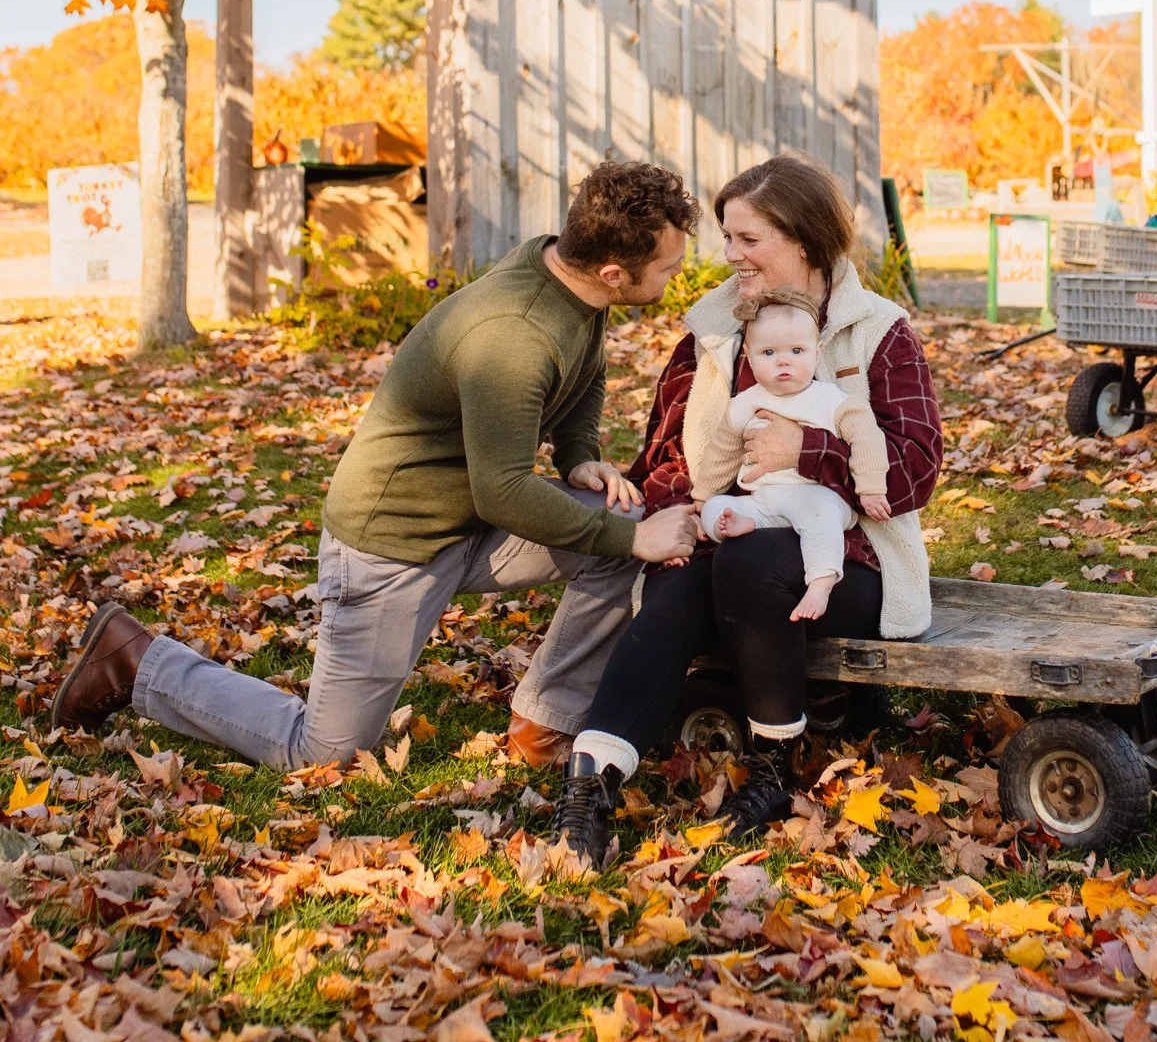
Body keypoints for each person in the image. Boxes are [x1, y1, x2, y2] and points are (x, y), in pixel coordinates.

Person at [50, 162, 702, 770]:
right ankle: (139, 662)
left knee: (631, 528)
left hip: (468, 522)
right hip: (393, 546)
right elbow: (504, 492)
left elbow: (584, 373)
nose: (675, 277)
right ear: (611, 272)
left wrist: (580, 459)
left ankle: (544, 722)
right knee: (324, 753)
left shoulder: (561, 271)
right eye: (669, 269)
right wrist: (631, 537)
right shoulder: (514, 333)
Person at [551, 153, 943, 868]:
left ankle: (771, 770)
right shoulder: (714, 329)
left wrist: (809, 449)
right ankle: (589, 787)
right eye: (727, 237)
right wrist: (672, 515)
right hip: (726, 539)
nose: (730, 254)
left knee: (751, 560)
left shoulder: (878, 331)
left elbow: (915, 470)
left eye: (748, 239)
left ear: (806, 242)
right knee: (678, 590)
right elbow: (667, 447)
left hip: (845, 566)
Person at [696, 287, 890, 621]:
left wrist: (871, 488)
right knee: (716, 508)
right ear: (749, 356)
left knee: (820, 519)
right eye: (769, 352)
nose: (783, 361)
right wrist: (703, 495)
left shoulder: (831, 401)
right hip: (764, 501)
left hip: (817, 495)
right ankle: (737, 525)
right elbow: (722, 451)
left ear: (818, 352)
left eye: (797, 351)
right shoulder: (746, 403)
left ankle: (821, 582)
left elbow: (867, 439)